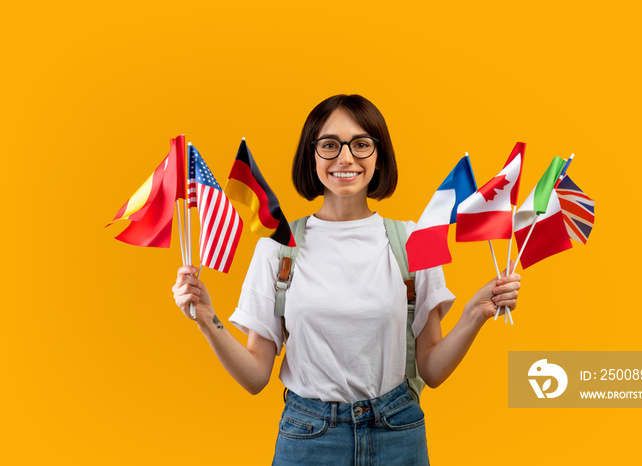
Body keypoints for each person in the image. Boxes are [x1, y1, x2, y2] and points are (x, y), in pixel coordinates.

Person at [172, 94, 521, 465]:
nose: (345, 157)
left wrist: (475, 314)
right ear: (312, 156)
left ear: (378, 155)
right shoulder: (278, 249)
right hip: (309, 439)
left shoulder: (412, 240)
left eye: (361, 144)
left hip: (397, 434)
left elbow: (432, 370)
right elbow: (256, 376)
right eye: (329, 145)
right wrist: (207, 318)